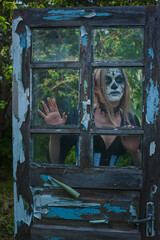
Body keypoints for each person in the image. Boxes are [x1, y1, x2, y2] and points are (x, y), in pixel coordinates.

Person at [38, 68, 140, 167]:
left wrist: (135, 152)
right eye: (107, 81)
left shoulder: (130, 121)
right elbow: (55, 163)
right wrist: (55, 133)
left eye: (119, 80)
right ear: (95, 88)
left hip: (114, 183)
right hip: (82, 182)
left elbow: (144, 171)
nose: (114, 86)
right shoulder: (79, 116)